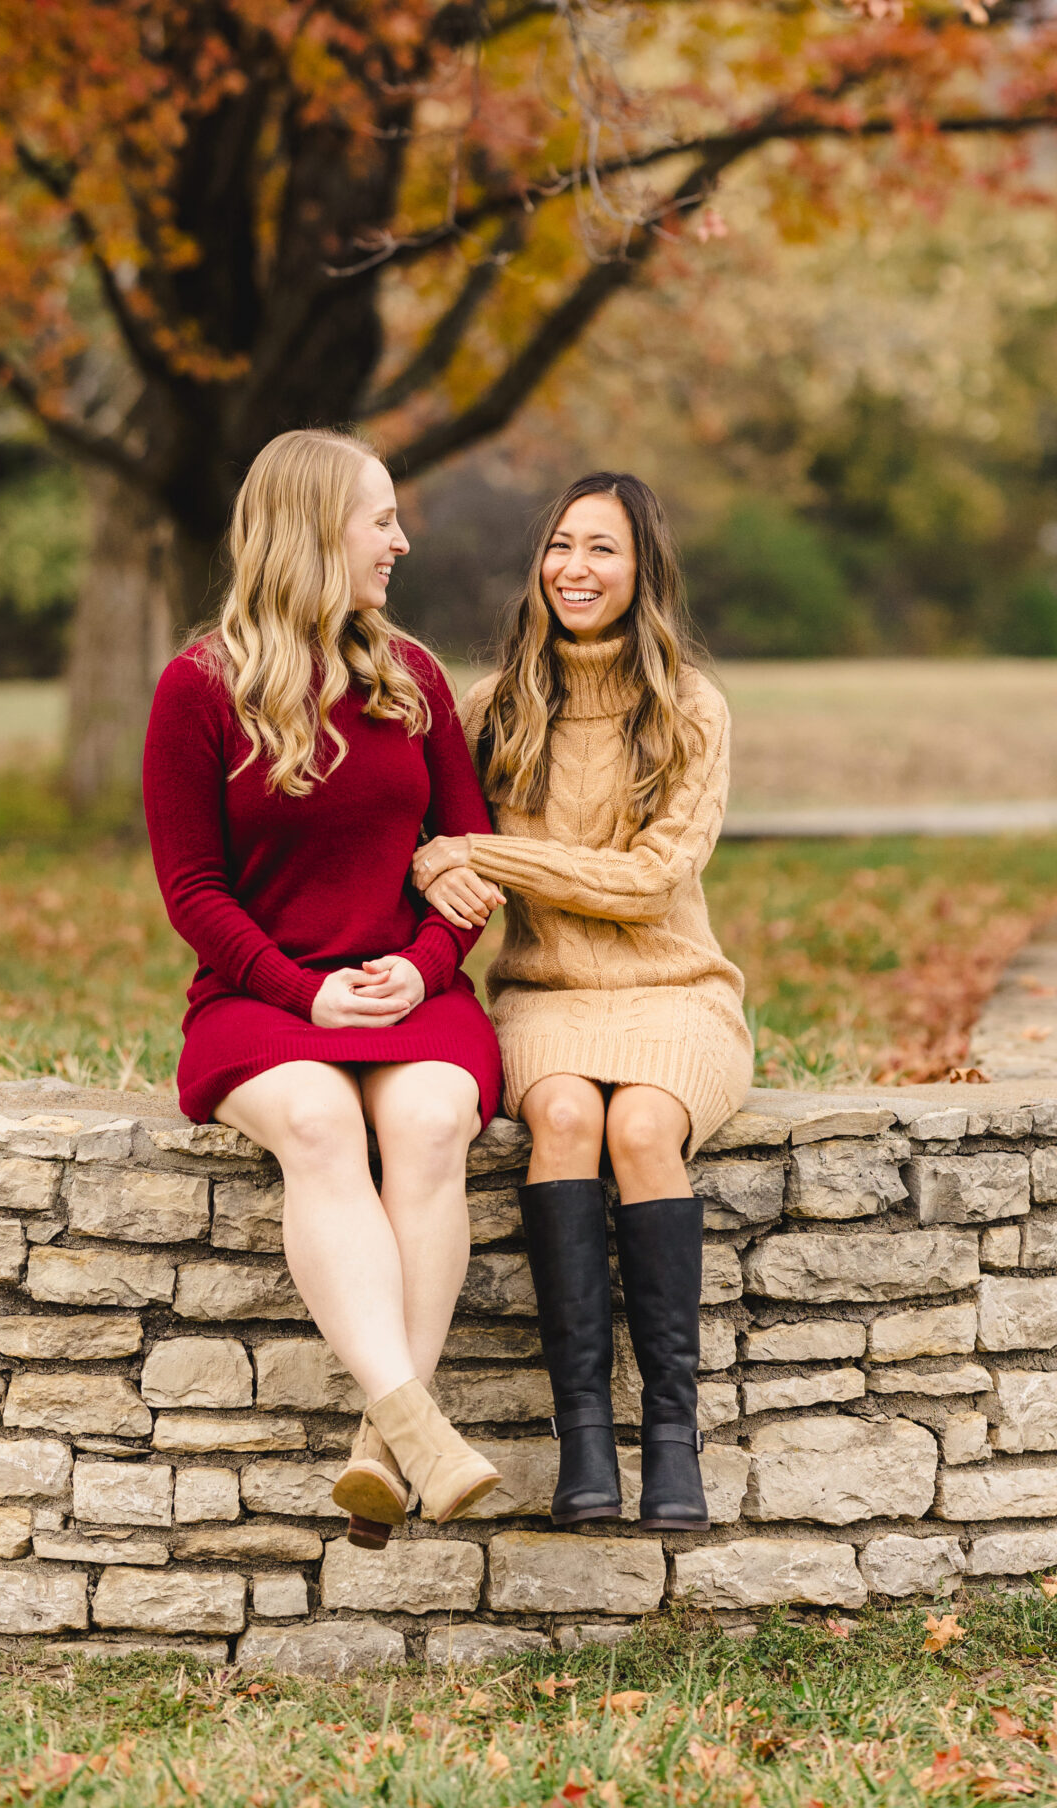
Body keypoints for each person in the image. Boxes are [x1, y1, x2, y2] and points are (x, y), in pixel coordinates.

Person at [143, 427, 505, 1547]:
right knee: (315, 1116)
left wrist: (423, 965)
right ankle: (416, 1428)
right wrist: (303, 995)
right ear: (312, 530)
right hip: (260, 999)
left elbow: (469, 856)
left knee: (433, 1119)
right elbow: (193, 890)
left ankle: (379, 1448)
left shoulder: (414, 680)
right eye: (380, 517)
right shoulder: (197, 689)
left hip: (411, 990)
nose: (400, 539)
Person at [412, 472, 751, 1530]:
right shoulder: (492, 707)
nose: (575, 569)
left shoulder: (690, 705)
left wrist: (485, 852)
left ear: (642, 565)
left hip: (677, 990)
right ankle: (585, 1443)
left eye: (602, 548)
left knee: (644, 1125)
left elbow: (652, 879)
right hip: (544, 992)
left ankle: (672, 1438)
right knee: (564, 1115)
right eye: (561, 546)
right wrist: (437, 866)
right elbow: (424, 838)